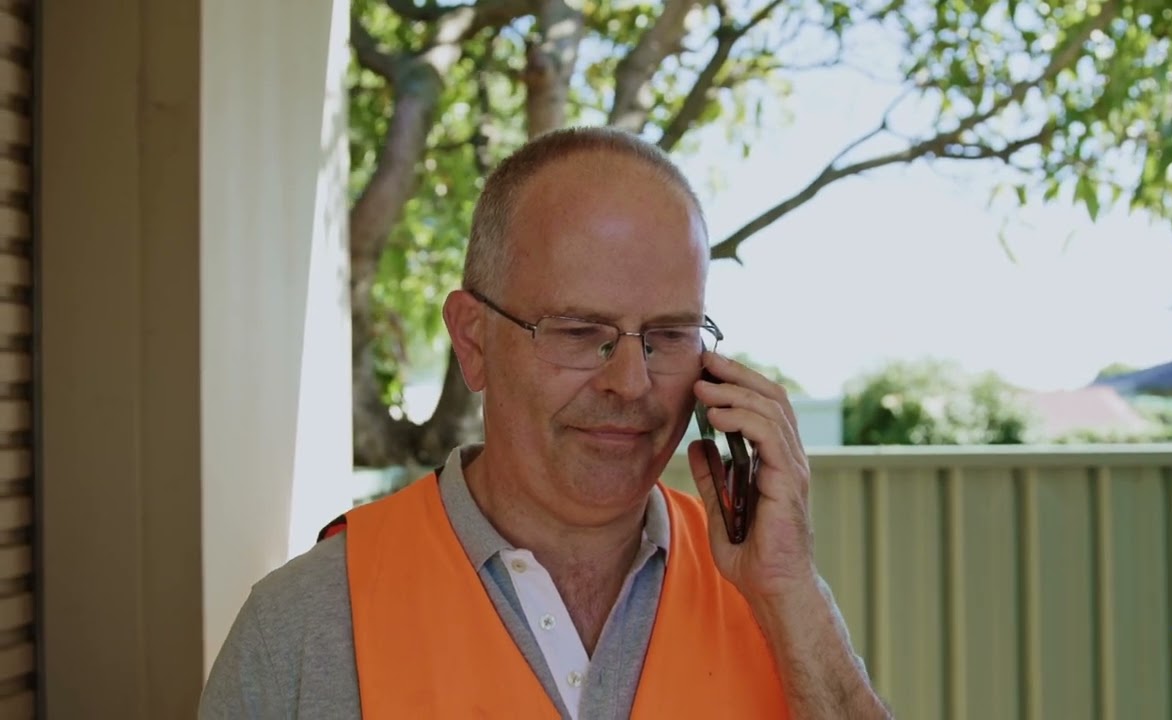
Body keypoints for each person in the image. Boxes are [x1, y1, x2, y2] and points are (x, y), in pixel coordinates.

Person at [199, 126, 892, 719]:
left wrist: (791, 591)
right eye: (579, 330)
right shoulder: (303, 627)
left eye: (669, 333)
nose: (631, 382)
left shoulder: (770, 598)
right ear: (472, 341)